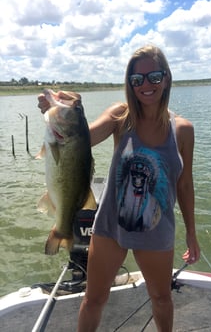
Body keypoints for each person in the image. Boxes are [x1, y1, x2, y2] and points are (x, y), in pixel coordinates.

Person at [38, 45, 200, 332]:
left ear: (167, 78)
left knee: (162, 298)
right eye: (137, 79)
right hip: (111, 226)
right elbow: (79, 141)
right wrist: (65, 112)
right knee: (94, 299)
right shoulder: (120, 116)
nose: (146, 85)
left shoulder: (183, 130)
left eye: (154, 76)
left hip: (157, 228)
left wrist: (191, 233)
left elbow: (184, 185)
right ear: (129, 83)